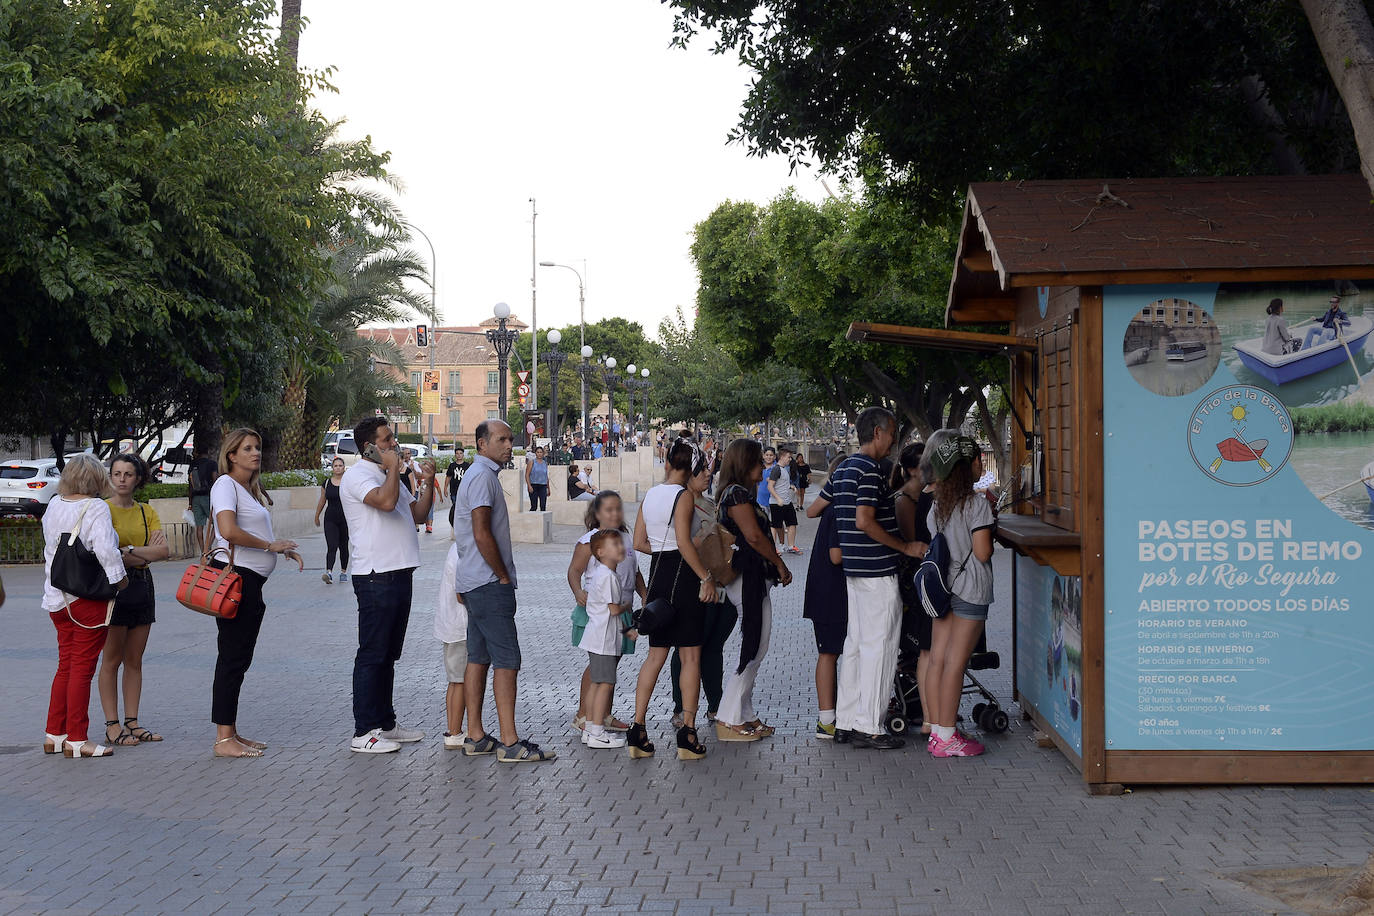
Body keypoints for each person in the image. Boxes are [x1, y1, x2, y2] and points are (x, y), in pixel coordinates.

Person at [812, 407, 923, 750]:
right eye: (891, 434)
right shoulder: (872, 471)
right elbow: (864, 520)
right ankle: (870, 725)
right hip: (877, 572)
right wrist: (904, 546)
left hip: (854, 573)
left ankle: (845, 721)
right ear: (878, 433)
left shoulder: (844, 468)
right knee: (881, 647)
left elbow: (813, 508)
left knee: (856, 647)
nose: (893, 441)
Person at [453, 419, 555, 763]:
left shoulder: (479, 474)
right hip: (486, 583)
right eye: (501, 439)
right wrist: (502, 576)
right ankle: (510, 743)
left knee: (478, 658)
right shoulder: (482, 477)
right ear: (481, 444)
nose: (509, 444)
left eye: (510, 439)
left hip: (474, 581)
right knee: (507, 661)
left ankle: (476, 735)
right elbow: (482, 532)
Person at [340, 417, 435, 754]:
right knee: (372, 653)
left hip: (399, 572)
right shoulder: (356, 476)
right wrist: (395, 468)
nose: (393, 444)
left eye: (392, 438)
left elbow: (418, 514)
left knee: (388, 655)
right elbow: (382, 502)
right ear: (368, 445)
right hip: (375, 575)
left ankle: (386, 723)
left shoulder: (387, 474)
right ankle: (363, 730)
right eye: (386, 439)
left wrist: (428, 482)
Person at [209, 428, 303, 758]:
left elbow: (251, 531)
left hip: (251, 582)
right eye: (247, 448)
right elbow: (228, 530)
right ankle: (223, 740)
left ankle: (231, 732)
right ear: (231, 455)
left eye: (257, 447)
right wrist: (269, 545)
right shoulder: (225, 485)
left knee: (239, 658)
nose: (255, 453)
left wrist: (279, 551)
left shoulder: (248, 489)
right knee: (232, 658)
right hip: (236, 581)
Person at [628, 438, 717, 760]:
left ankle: (637, 729)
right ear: (692, 467)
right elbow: (683, 542)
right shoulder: (683, 497)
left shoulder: (651, 494)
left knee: (655, 655)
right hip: (684, 577)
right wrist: (706, 578)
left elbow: (639, 541)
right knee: (690, 656)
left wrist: (664, 550)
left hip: (659, 577)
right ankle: (687, 733)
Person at [42, 454, 128, 758]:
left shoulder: (54, 504)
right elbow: (106, 549)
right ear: (96, 479)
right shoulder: (96, 508)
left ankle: (55, 733)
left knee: (65, 665)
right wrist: (120, 581)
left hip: (56, 598)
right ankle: (78, 739)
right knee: (82, 668)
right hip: (86, 599)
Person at [924, 433, 997, 758]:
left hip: (944, 589)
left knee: (939, 660)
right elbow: (982, 552)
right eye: (978, 459)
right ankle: (948, 738)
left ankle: (938, 732)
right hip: (970, 590)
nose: (982, 463)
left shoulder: (937, 507)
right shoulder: (976, 505)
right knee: (956, 664)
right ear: (965, 468)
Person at [714, 439, 793, 741]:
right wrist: (780, 565)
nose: (764, 465)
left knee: (757, 646)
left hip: (751, 579)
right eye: (759, 460)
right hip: (746, 579)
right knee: (754, 648)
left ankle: (745, 714)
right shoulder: (736, 495)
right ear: (745, 464)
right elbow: (754, 538)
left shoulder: (736, 494)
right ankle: (729, 717)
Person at [98, 453, 170, 749]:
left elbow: (164, 551)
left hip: (142, 586)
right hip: (114, 587)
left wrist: (127, 550)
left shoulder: (145, 511)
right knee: (111, 659)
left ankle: (133, 722)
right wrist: (141, 551)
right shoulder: (101, 510)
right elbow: (105, 554)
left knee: (135, 660)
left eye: (129, 474)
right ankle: (112, 725)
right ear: (110, 477)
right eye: (117, 474)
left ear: (138, 478)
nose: (123, 479)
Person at [567, 491, 644, 735]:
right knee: (598, 665)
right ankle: (583, 714)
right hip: (600, 613)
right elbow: (574, 571)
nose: (614, 514)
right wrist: (578, 591)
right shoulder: (590, 541)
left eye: (617, 509)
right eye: (608, 510)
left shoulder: (625, 539)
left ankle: (603, 714)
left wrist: (645, 594)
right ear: (597, 514)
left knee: (611, 664)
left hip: (622, 612)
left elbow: (636, 571)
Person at [669, 457, 735, 729]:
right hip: (696, 584)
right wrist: (708, 532)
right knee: (686, 647)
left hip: (720, 581)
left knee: (714, 644)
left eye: (708, 470)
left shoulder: (709, 503)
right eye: (701, 471)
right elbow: (681, 546)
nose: (707, 475)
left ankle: (715, 703)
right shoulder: (682, 506)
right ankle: (680, 706)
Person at [803, 456, 848, 739]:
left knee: (830, 652)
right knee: (829, 653)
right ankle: (827, 719)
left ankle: (831, 717)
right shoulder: (838, 511)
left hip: (828, 591)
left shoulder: (831, 507)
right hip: (832, 592)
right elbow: (837, 555)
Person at [894, 441, 935, 734]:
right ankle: (921, 707)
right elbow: (913, 542)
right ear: (910, 469)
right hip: (914, 580)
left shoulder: (926, 496)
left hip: (926, 577)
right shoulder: (905, 500)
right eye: (924, 463)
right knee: (920, 647)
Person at [579, 530, 632, 749]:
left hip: (597, 636)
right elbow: (613, 610)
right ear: (600, 552)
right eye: (614, 545)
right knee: (605, 685)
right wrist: (627, 607)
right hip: (603, 639)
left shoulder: (603, 573)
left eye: (620, 543)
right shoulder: (608, 576)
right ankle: (597, 732)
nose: (620, 548)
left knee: (597, 683)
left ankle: (591, 728)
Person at [434, 540, 469, 750]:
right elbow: (461, 593)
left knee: (456, 681)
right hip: (459, 627)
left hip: (452, 626)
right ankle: (454, 732)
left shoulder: (457, 548)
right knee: (460, 681)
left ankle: (454, 730)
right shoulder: (462, 551)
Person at [314, 457, 350, 584]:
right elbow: (322, 500)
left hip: (345, 519)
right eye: (336, 465)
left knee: (343, 546)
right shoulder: (327, 483)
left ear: (344, 467)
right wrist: (317, 515)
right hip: (330, 518)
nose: (338, 467)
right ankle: (329, 572)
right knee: (332, 545)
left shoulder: (348, 482)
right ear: (332, 468)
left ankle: (343, 572)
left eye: (340, 465)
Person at [768, 447, 802, 555]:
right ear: (782, 457)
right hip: (776, 503)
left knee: (792, 523)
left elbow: (781, 484)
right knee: (775, 525)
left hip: (787, 502)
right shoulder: (776, 469)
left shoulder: (784, 469)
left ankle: (791, 546)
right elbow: (770, 486)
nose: (790, 459)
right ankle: (773, 548)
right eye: (788, 457)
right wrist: (778, 498)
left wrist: (791, 486)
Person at [187, 443, 217, 552]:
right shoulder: (212, 464)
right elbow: (215, 480)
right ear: (207, 452)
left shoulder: (193, 464)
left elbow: (190, 485)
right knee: (216, 523)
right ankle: (208, 546)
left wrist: (190, 502)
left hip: (195, 498)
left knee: (199, 526)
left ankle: (203, 551)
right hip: (208, 497)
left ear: (198, 453)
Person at [443, 452, 470, 530]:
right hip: (454, 491)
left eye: (461, 453)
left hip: (465, 492)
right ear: (455, 455)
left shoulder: (467, 465)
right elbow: (448, 477)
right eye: (457, 453)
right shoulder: (452, 466)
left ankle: (464, 525)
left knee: (464, 508)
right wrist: (445, 488)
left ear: (463, 455)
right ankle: (456, 525)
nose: (459, 455)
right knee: (456, 508)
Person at [525, 445, 550, 511]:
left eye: (541, 452)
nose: (539, 454)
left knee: (543, 506)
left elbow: (546, 476)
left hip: (543, 486)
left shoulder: (545, 463)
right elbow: (527, 474)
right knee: (534, 506)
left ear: (543, 453)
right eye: (538, 452)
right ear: (535, 453)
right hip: (534, 485)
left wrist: (548, 488)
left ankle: (542, 520)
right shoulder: (531, 462)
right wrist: (529, 486)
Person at [756, 447, 776, 514]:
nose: (769, 457)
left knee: (777, 523)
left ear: (774, 457)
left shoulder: (777, 468)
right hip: (761, 500)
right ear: (763, 456)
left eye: (771, 455)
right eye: (767, 455)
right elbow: (757, 484)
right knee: (763, 521)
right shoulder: (760, 468)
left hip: (774, 500)